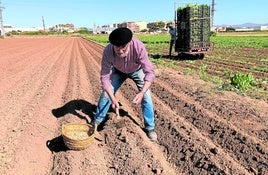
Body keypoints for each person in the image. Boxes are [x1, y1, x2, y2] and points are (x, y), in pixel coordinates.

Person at [91, 27, 157, 142]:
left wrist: (142, 92)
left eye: (123, 47)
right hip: (118, 70)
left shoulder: (138, 47)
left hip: (137, 70)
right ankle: (97, 121)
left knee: (146, 96)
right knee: (106, 95)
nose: (120, 51)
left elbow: (149, 72)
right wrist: (113, 99)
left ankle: (150, 128)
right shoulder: (108, 51)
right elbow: (104, 78)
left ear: (129, 43)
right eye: (117, 48)